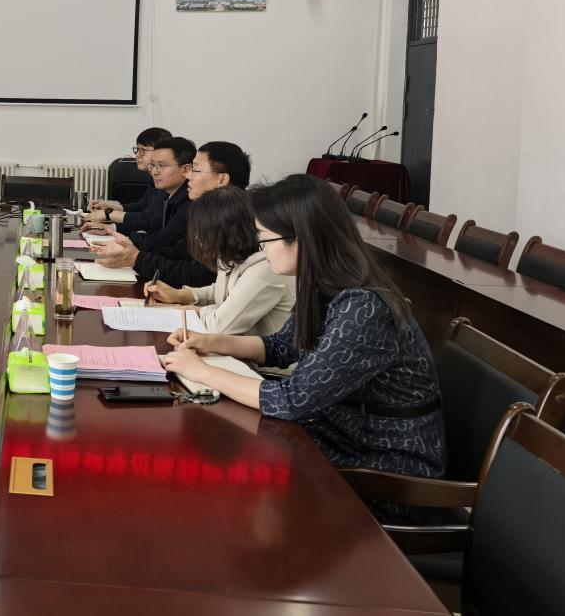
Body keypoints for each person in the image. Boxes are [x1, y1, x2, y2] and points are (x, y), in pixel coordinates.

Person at [161, 174, 444, 485]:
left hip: (384, 464)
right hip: (336, 433)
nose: (262, 249)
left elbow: (292, 400)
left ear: (300, 238)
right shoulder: (327, 285)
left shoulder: (363, 307)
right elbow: (283, 346)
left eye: (264, 238)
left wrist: (202, 372)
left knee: (224, 464)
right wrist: (211, 342)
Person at [96, 140, 249, 288]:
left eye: (195, 170)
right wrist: (134, 249)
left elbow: (198, 276)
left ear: (222, 179)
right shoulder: (208, 211)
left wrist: (137, 258)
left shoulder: (232, 220)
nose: (188, 175)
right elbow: (180, 251)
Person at [145, 186, 293, 336]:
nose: (197, 238)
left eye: (203, 232)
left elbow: (219, 327)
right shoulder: (232, 252)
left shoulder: (267, 267)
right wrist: (181, 295)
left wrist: (190, 311)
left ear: (225, 232)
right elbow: (222, 292)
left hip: (251, 350)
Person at [87, 126, 172, 223]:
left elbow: (146, 219)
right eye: (137, 149)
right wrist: (109, 206)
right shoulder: (153, 180)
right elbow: (140, 206)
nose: (137, 155)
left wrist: (108, 214)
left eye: (143, 150)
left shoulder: (165, 183)